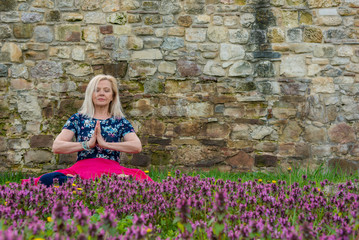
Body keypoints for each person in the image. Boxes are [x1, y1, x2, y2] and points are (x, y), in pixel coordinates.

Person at [23, 74, 152, 187]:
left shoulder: (120, 121)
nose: (101, 93)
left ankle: (87, 183)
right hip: (83, 167)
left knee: (142, 180)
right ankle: (97, 183)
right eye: (97, 90)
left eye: (106, 90)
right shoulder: (78, 119)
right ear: (91, 95)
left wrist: (105, 144)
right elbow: (57, 146)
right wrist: (87, 145)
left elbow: (136, 146)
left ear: (112, 96)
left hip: (111, 168)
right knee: (47, 179)